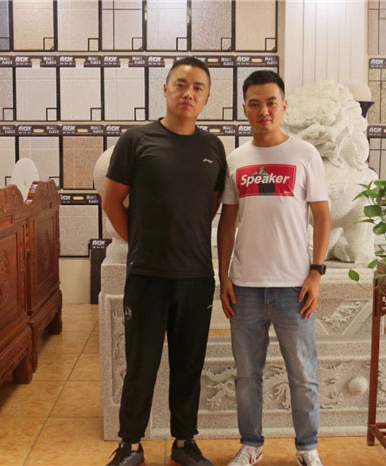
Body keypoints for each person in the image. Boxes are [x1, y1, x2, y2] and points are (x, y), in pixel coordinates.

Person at [103, 57, 227, 466]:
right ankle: (130, 445)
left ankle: (184, 443)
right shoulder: (137, 140)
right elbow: (112, 201)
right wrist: (141, 241)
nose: (188, 93)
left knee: (188, 365)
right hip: (148, 275)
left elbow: (209, 207)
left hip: (196, 276)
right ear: (165, 89)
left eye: (198, 87)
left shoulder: (212, 148)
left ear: (206, 97)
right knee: (141, 363)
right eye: (181, 84)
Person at [217, 70, 330, 466]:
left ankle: (307, 448)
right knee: (247, 375)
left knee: (303, 374)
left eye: (270, 103)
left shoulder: (304, 154)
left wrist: (316, 272)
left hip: (294, 287)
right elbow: (227, 221)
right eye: (254, 104)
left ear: (284, 107)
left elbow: (322, 215)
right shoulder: (237, 159)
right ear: (245, 108)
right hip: (245, 287)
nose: (263, 111)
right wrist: (223, 277)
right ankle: (251, 444)